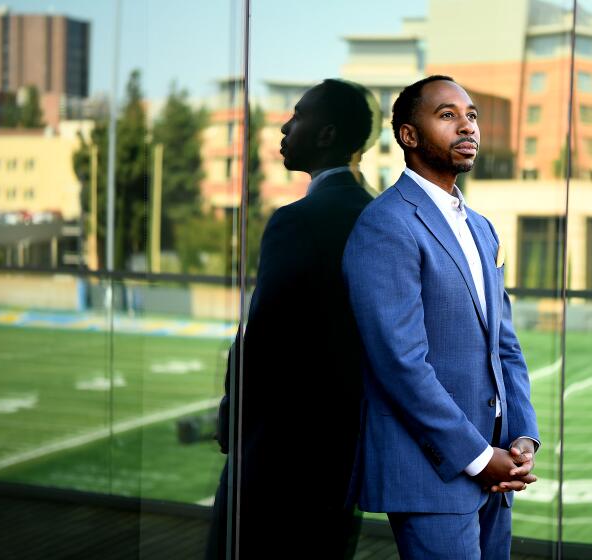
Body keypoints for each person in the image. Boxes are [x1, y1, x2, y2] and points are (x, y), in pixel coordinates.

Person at [342, 75, 539, 560]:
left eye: (470, 115)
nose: (466, 126)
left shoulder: (481, 227)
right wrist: (476, 458)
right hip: (432, 472)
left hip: (497, 467)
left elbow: (504, 344)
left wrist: (521, 436)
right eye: (447, 115)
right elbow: (400, 364)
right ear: (409, 136)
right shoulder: (387, 223)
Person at [207, 79, 377, 559]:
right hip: (342, 448)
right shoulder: (380, 216)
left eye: (298, 116)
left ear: (325, 135)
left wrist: (231, 410)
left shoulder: (297, 220)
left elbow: (262, 336)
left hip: (278, 450)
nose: (285, 125)